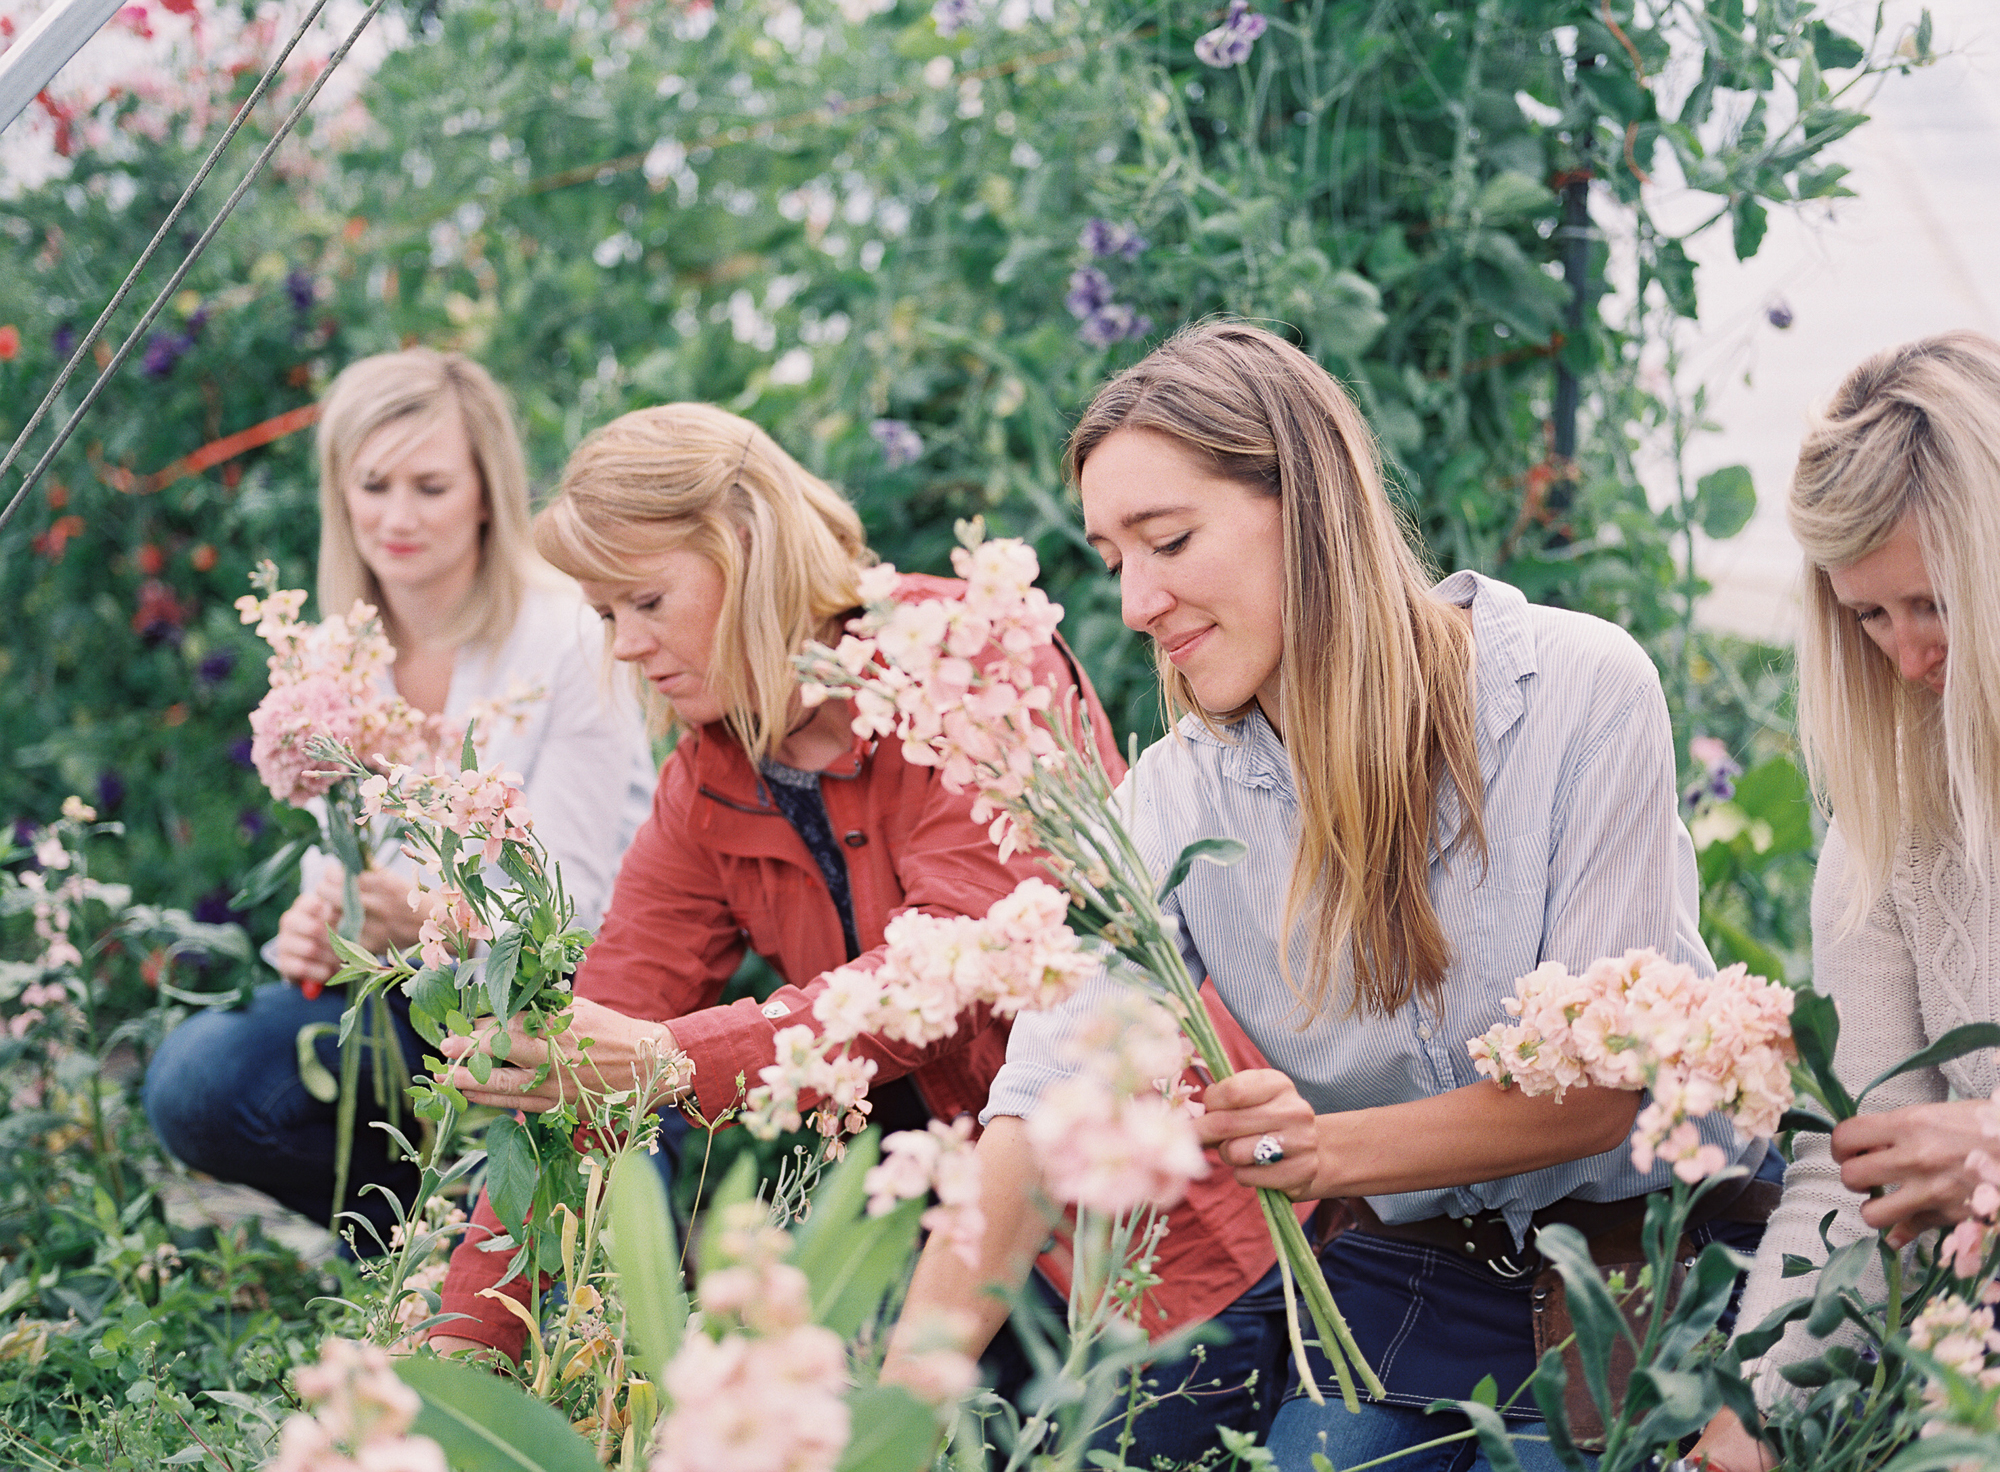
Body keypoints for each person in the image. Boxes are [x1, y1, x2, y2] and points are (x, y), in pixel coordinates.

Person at [882, 321, 1774, 1471]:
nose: (1136, 599)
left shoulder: (1578, 691)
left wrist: (1332, 1149)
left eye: (1168, 539)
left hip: (1648, 1261)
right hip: (1416, 1281)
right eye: (1112, 558)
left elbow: (1604, 1084)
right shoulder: (1173, 793)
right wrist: (895, 1404)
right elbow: (1045, 1098)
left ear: (1305, 502)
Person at [423, 402, 1293, 1465]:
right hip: (948, 1267)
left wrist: (667, 1061)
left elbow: (959, 968)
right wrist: (445, 1389)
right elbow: (586, 1054)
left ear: (746, 550)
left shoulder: (960, 655)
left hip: (1157, 1232)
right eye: (606, 615)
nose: (626, 645)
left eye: (645, 600)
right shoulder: (710, 778)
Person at [144, 349, 656, 1247]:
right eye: (373, 484)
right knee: (194, 1084)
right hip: (399, 998)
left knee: (589, 1255)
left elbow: (576, 904)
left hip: (553, 1005)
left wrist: (419, 915)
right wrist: (315, 928)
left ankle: (506, 1246)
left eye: (431, 486)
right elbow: (339, 855)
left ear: (487, 492)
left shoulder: (570, 636)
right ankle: (407, 1257)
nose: (397, 517)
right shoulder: (335, 653)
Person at [1691, 333, 2000, 1471]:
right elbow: (1850, 1164)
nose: (1905, 656)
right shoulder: (1891, 823)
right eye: (1867, 618)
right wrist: (1750, 1404)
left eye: (1931, 604)